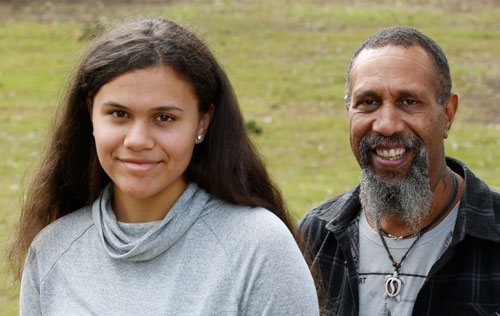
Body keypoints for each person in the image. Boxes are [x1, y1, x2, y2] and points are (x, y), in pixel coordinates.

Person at [9, 19, 319, 315]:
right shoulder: (52, 250)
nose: (138, 140)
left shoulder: (259, 247)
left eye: (164, 118)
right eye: (119, 114)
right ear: (91, 114)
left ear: (202, 122)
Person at [297, 26, 500, 316]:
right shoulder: (314, 238)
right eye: (368, 102)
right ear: (348, 112)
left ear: (448, 114)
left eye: (409, 102)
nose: (387, 124)